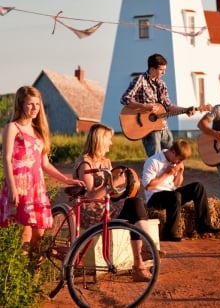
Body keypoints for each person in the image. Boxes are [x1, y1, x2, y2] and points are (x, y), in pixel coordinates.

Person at [0, 86, 85, 266]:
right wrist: (12, 189)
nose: (34, 108)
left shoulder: (38, 132)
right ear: (21, 104)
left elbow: (45, 164)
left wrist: (67, 179)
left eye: (37, 104)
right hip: (19, 184)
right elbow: (6, 159)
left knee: (39, 235)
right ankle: (22, 280)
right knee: (25, 234)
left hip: (36, 186)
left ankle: (34, 277)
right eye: (30, 104)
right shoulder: (12, 128)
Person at [73, 122, 163, 282]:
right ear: (99, 140)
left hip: (106, 205)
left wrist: (124, 187)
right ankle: (143, 258)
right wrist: (113, 182)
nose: (111, 143)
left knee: (135, 203)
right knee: (133, 207)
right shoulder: (85, 163)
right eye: (108, 139)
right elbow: (91, 194)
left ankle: (143, 256)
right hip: (90, 210)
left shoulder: (106, 162)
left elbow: (111, 191)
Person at [142, 139, 220, 241]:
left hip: (172, 195)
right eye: (179, 160)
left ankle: (203, 224)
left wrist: (180, 172)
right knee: (175, 196)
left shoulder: (174, 161)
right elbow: (148, 186)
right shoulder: (153, 161)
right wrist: (166, 174)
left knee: (198, 187)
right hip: (155, 197)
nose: (179, 162)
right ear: (173, 152)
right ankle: (169, 234)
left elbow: (176, 184)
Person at [120, 53, 195, 157]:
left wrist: (186, 110)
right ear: (152, 69)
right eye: (161, 70)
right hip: (150, 130)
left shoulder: (162, 84)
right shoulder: (140, 80)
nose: (164, 72)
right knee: (155, 161)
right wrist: (144, 106)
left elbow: (168, 106)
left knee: (171, 159)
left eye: (165, 69)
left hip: (164, 127)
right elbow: (125, 98)